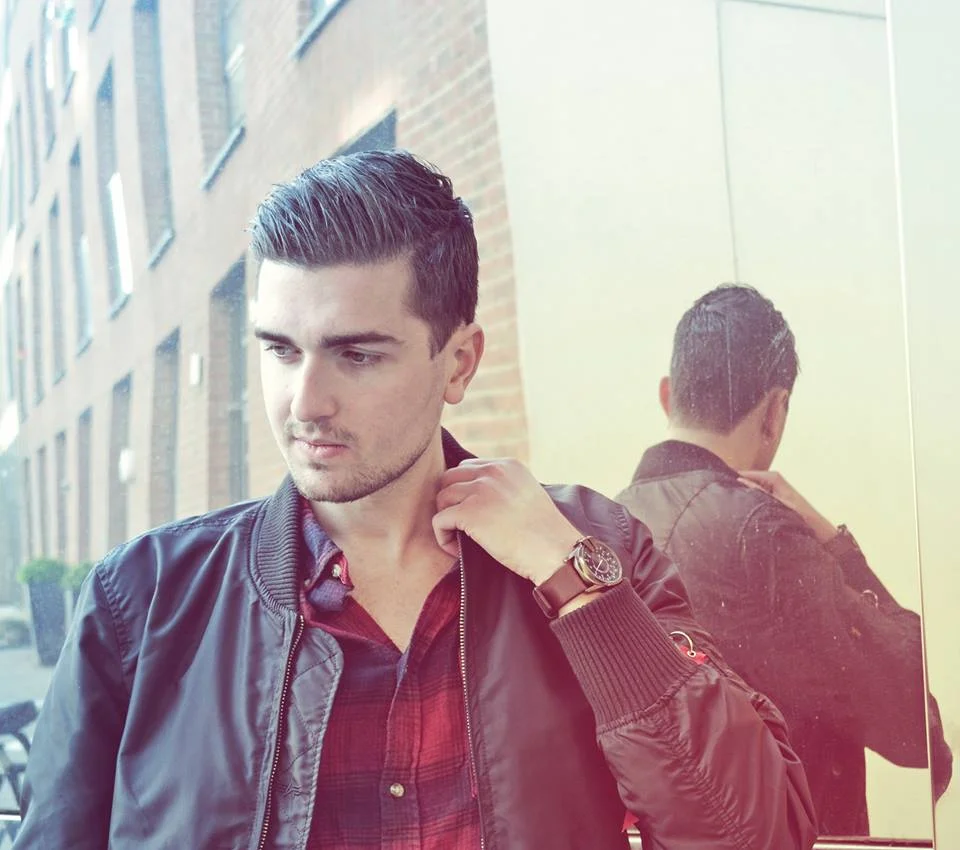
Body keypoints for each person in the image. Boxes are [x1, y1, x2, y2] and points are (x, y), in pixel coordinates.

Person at [14, 154, 816, 849]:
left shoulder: (595, 548)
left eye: (357, 355)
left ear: (459, 363)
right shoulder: (144, 600)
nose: (305, 402)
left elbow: (757, 835)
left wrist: (576, 583)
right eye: (281, 350)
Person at [617, 284, 953, 836]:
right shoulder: (763, 534)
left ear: (668, 394)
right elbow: (913, 721)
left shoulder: (607, 527)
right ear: (775, 410)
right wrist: (835, 543)